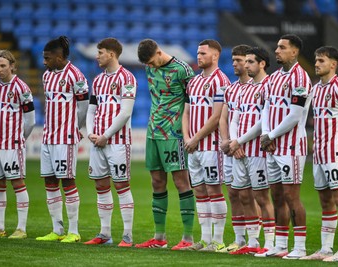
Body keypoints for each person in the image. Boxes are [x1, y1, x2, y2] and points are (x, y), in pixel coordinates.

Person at [300, 46, 338, 262]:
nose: (316, 64)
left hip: (336, 153)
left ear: (333, 64)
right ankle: (325, 249)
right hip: (319, 154)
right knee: (325, 201)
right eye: (316, 60)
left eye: (321, 61)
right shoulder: (316, 89)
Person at [135, 39, 196, 250]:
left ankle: (188, 239)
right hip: (153, 131)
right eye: (148, 64)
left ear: (160, 52)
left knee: (181, 182)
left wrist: (188, 132)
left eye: (152, 61)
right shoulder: (149, 67)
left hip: (174, 133)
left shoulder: (183, 70)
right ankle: (159, 238)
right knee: (157, 182)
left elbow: (192, 103)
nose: (150, 66)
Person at [258, 34, 312, 259]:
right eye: (277, 47)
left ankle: (299, 246)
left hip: (291, 146)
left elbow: (295, 116)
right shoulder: (272, 79)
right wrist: (265, 135)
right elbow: (266, 110)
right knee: (277, 196)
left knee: (292, 197)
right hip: (272, 146)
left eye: (282, 47)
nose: (277, 51)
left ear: (294, 51)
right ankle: (280, 245)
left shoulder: (301, 77)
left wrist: (270, 135)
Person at [36, 36, 89, 243]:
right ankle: (57, 230)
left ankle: (74, 231)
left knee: (68, 181)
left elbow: (83, 105)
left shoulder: (76, 76)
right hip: (48, 136)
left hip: (65, 138)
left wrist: (76, 127)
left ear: (59, 57)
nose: (44, 62)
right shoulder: (47, 75)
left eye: (47, 58)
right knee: (50, 182)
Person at [84, 38, 136, 246]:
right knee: (100, 184)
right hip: (98, 141)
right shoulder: (97, 80)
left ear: (112, 54)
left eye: (101, 52)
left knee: (121, 185)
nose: (97, 56)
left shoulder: (128, 78)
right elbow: (91, 109)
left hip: (118, 141)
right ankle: (104, 234)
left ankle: (127, 236)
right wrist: (90, 133)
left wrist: (105, 135)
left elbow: (125, 113)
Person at [182, 39, 230, 252]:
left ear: (215, 56)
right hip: (192, 147)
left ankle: (217, 241)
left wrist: (195, 138)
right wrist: (186, 138)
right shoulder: (193, 82)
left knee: (214, 190)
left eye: (203, 53)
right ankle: (204, 239)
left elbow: (217, 116)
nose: (199, 56)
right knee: (199, 191)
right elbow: (186, 112)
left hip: (210, 146)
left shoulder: (221, 81)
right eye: (198, 53)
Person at [0, 50, 35, 239]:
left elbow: (30, 121)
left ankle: (21, 228)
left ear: (12, 66)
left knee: (17, 183)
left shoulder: (22, 88)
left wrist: (19, 138)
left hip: (13, 144)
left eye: (3, 65)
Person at [228, 47, 276, 255]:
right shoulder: (245, 88)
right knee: (244, 196)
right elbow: (235, 118)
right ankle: (253, 241)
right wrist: (233, 142)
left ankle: (271, 242)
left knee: (262, 197)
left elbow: (262, 122)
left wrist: (238, 141)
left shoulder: (269, 86)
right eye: (245, 62)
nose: (245, 65)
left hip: (258, 151)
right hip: (240, 151)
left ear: (262, 63)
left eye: (249, 62)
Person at [217, 44, 255, 253]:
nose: (235, 64)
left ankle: (254, 239)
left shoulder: (258, 87)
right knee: (233, 193)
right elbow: (224, 118)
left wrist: (239, 143)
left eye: (239, 60)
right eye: (233, 60)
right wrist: (227, 141)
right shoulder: (231, 89)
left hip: (250, 148)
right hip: (232, 148)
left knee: (251, 194)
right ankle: (239, 239)